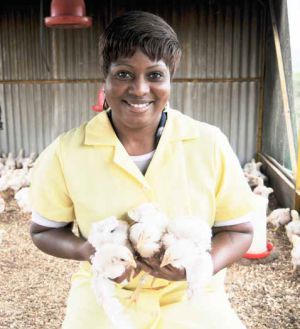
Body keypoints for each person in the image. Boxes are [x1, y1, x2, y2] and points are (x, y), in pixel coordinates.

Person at [30, 11, 255, 329]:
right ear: (104, 80)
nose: (139, 89)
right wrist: (90, 251)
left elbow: (240, 230)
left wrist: (200, 266)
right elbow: (42, 231)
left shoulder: (208, 143)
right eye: (123, 74)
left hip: (192, 298)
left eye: (154, 75)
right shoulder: (67, 152)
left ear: (169, 80)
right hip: (106, 297)